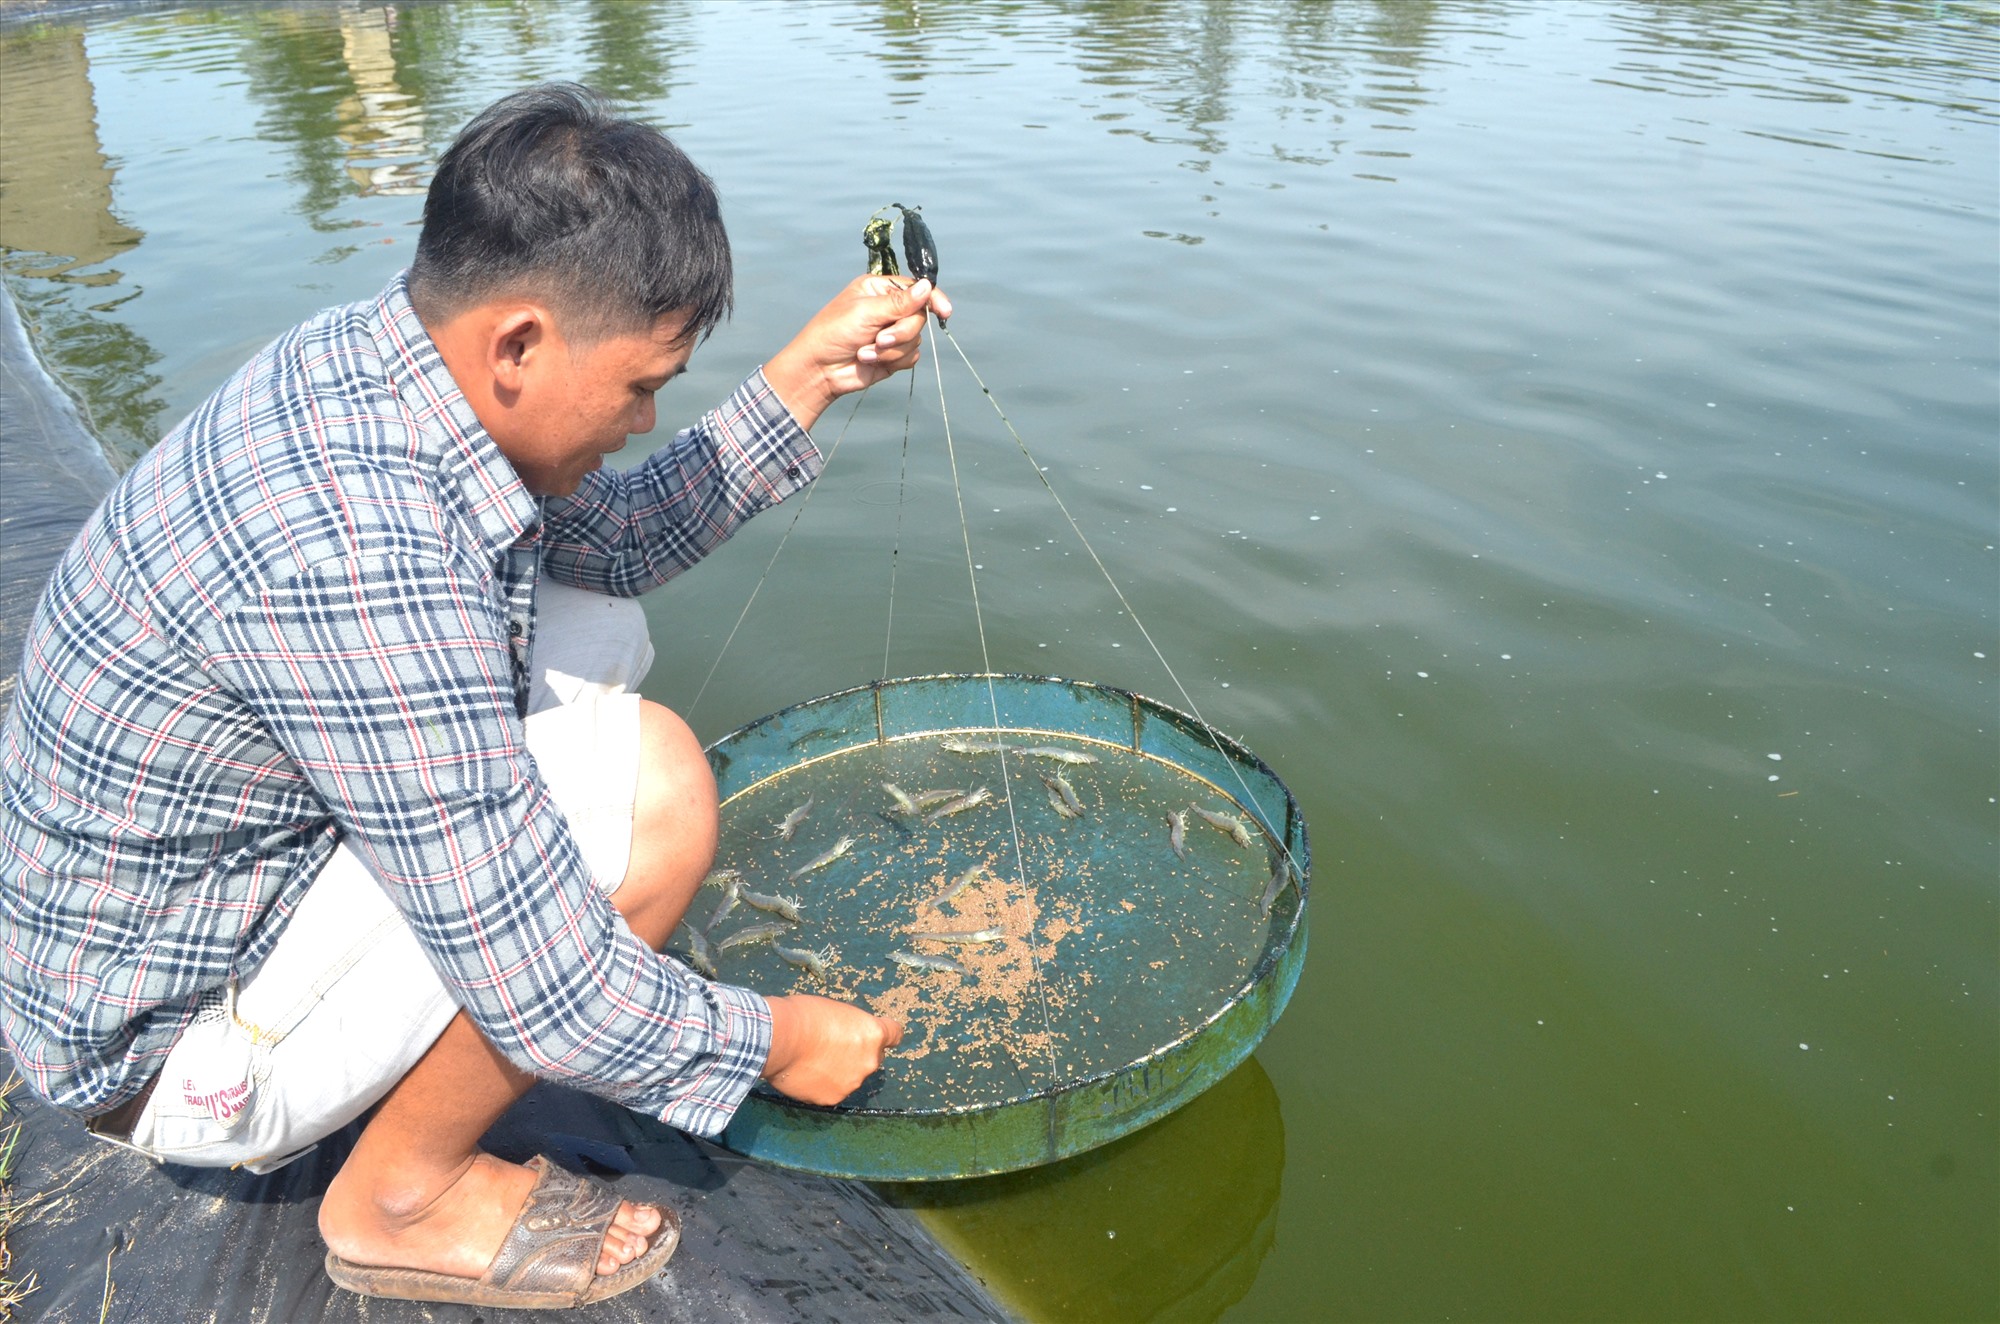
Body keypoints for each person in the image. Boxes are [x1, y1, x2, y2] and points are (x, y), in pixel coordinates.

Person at [0, 83, 950, 1310]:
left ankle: (437, 995)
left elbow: (608, 542)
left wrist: (808, 379)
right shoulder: (354, 551)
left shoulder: (389, 360)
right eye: (641, 385)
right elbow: (549, 989)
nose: (647, 417)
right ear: (518, 344)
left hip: (203, 883)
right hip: (168, 1047)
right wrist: (780, 1038)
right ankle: (398, 1195)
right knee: (655, 789)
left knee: (593, 620)